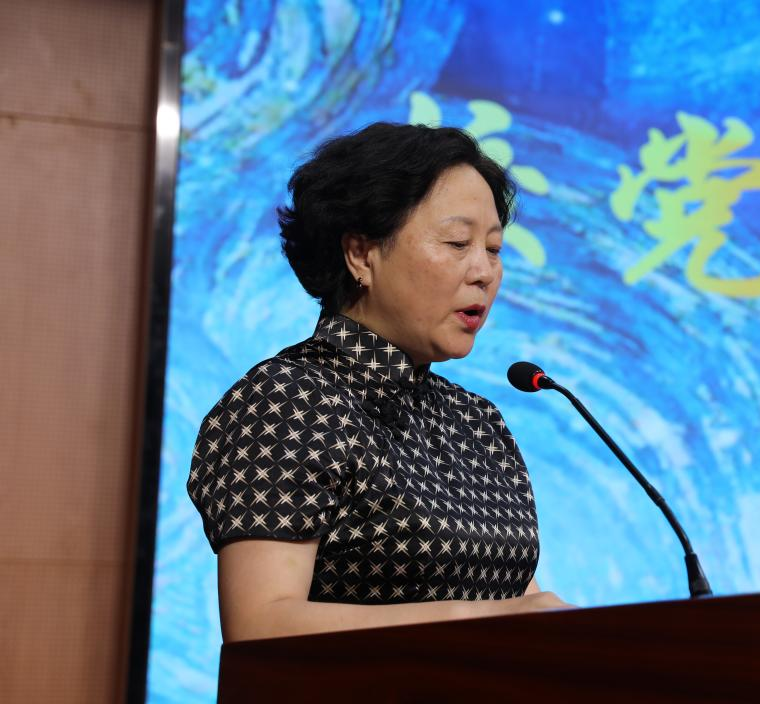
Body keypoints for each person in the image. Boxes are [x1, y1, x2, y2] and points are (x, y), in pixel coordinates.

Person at [187, 123, 571, 643]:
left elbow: (516, 603)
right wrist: (472, 620)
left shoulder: (476, 421)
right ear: (361, 254)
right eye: (458, 243)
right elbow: (261, 626)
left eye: (494, 248)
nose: (484, 271)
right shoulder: (289, 399)